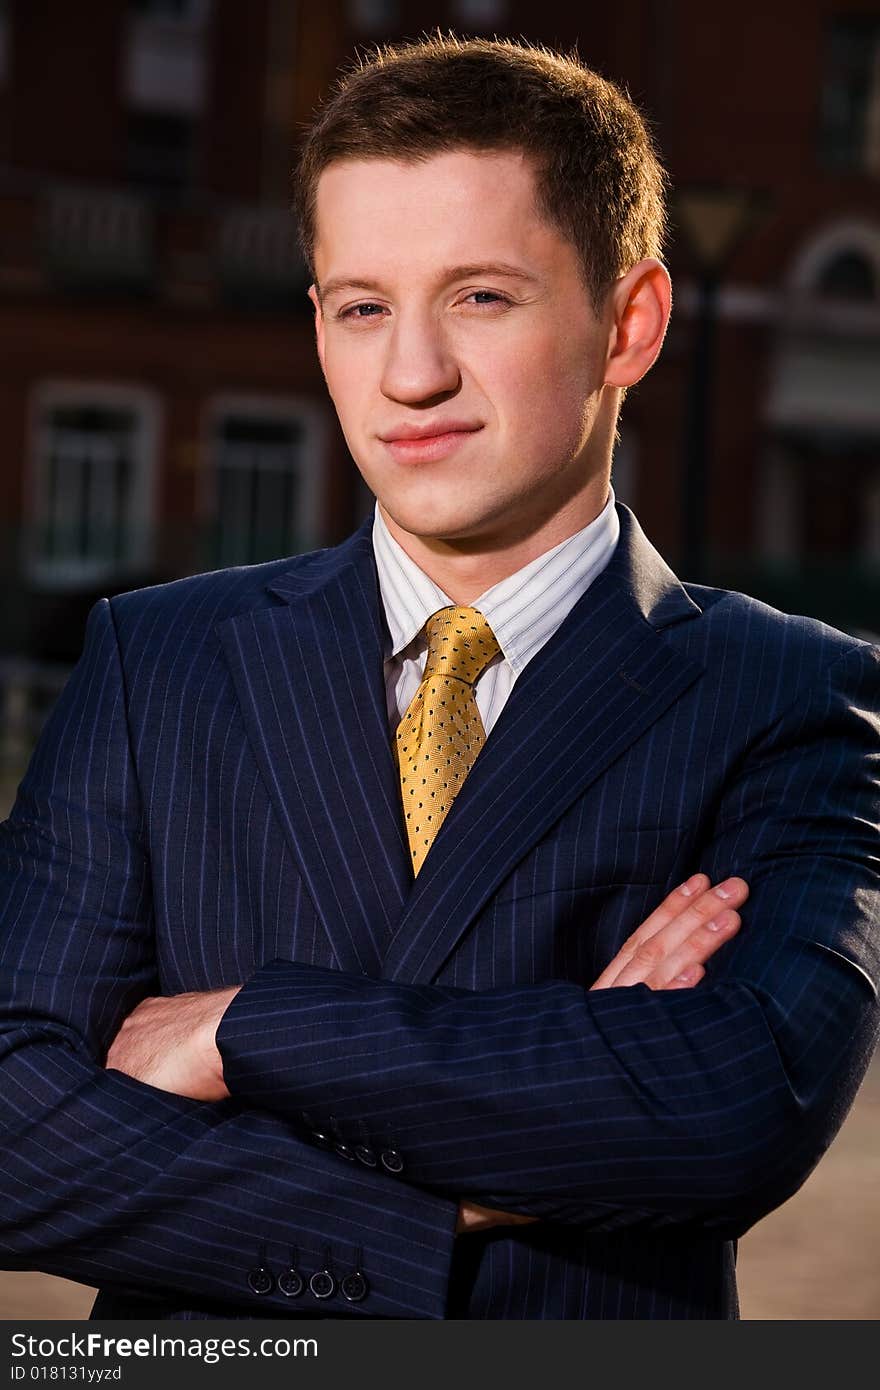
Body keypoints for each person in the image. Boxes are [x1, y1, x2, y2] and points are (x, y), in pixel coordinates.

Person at [1, 35, 877, 1322]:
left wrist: (243, 1030)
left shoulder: (788, 693)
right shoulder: (160, 660)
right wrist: (511, 1147)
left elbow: (731, 1105)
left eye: (480, 297)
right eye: (362, 306)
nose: (408, 376)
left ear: (627, 323)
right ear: (316, 322)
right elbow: (16, 1136)